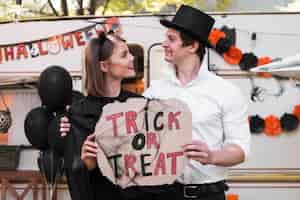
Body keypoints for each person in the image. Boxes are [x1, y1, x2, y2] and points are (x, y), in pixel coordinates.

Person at [142, 4, 251, 200]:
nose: (164, 44)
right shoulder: (154, 91)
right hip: (164, 193)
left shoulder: (227, 92)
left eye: (171, 39)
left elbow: (240, 150)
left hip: (209, 195)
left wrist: (211, 156)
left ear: (192, 46)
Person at [60, 31, 142, 200]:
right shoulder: (77, 114)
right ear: (104, 66)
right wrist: (86, 165)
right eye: (124, 54)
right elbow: (74, 179)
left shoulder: (141, 105)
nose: (132, 58)